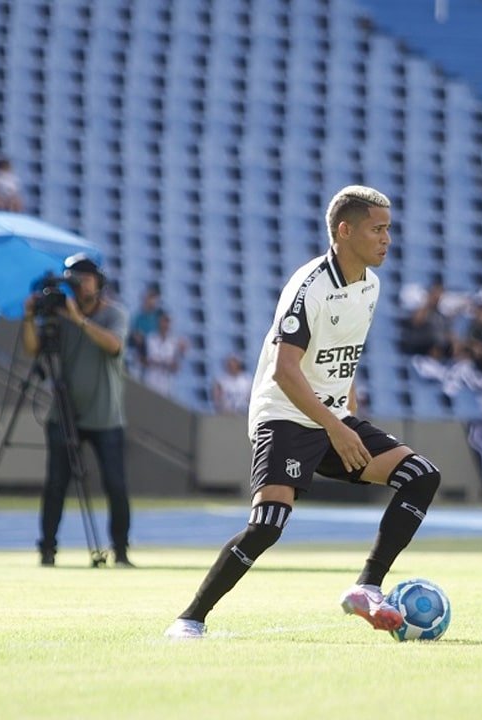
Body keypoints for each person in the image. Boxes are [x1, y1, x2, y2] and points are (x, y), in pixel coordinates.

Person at [165, 185, 442, 639]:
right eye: (377, 229)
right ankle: (189, 618)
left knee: (421, 475)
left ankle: (367, 587)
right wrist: (336, 428)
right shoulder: (309, 287)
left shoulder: (370, 285)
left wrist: (347, 411)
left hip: (332, 416)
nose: (386, 239)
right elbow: (284, 371)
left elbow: (343, 348)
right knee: (268, 525)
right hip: (285, 416)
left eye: (389, 229)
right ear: (344, 230)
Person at [21, 254, 133, 567]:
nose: (80, 284)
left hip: (105, 416)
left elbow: (114, 346)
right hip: (63, 414)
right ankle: (47, 550)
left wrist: (78, 320)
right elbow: (33, 349)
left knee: (115, 484)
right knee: (56, 483)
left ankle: (121, 551)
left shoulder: (114, 314)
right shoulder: (58, 315)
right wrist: (30, 317)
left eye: (86, 278)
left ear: (99, 283)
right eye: (75, 278)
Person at [397, 280, 457, 360]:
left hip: (440, 351)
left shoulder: (439, 313)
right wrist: (429, 301)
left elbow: (449, 333)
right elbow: (416, 321)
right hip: (419, 351)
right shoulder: (421, 303)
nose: (439, 297)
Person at [142, 311, 187, 398]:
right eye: (164, 321)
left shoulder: (174, 343)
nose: (166, 325)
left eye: (168, 322)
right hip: (150, 381)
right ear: (159, 322)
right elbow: (144, 360)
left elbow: (176, 368)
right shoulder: (150, 338)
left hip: (166, 385)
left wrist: (170, 363)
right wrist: (160, 362)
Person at [128, 284, 163, 377]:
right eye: (150, 297)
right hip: (141, 356)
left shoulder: (159, 317)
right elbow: (134, 335)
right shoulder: (138, 317)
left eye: (154, 298)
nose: (152, 301)